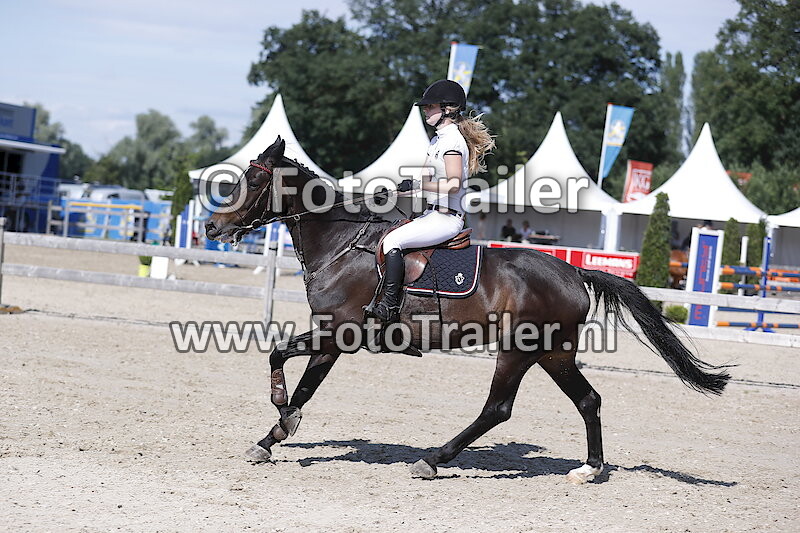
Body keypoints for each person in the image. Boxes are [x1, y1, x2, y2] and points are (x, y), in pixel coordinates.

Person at [364, 79, 495, 324]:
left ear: (448, 108)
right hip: (431, 214)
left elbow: (453, 183)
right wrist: (395, 191)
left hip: (446, 219)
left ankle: (390, 306)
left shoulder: (453, 141)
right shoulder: (436, 141)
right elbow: (422, 180)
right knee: (390, 232)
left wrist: (418, 185)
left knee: (393, 240)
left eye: (430, 106)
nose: (425, 110)